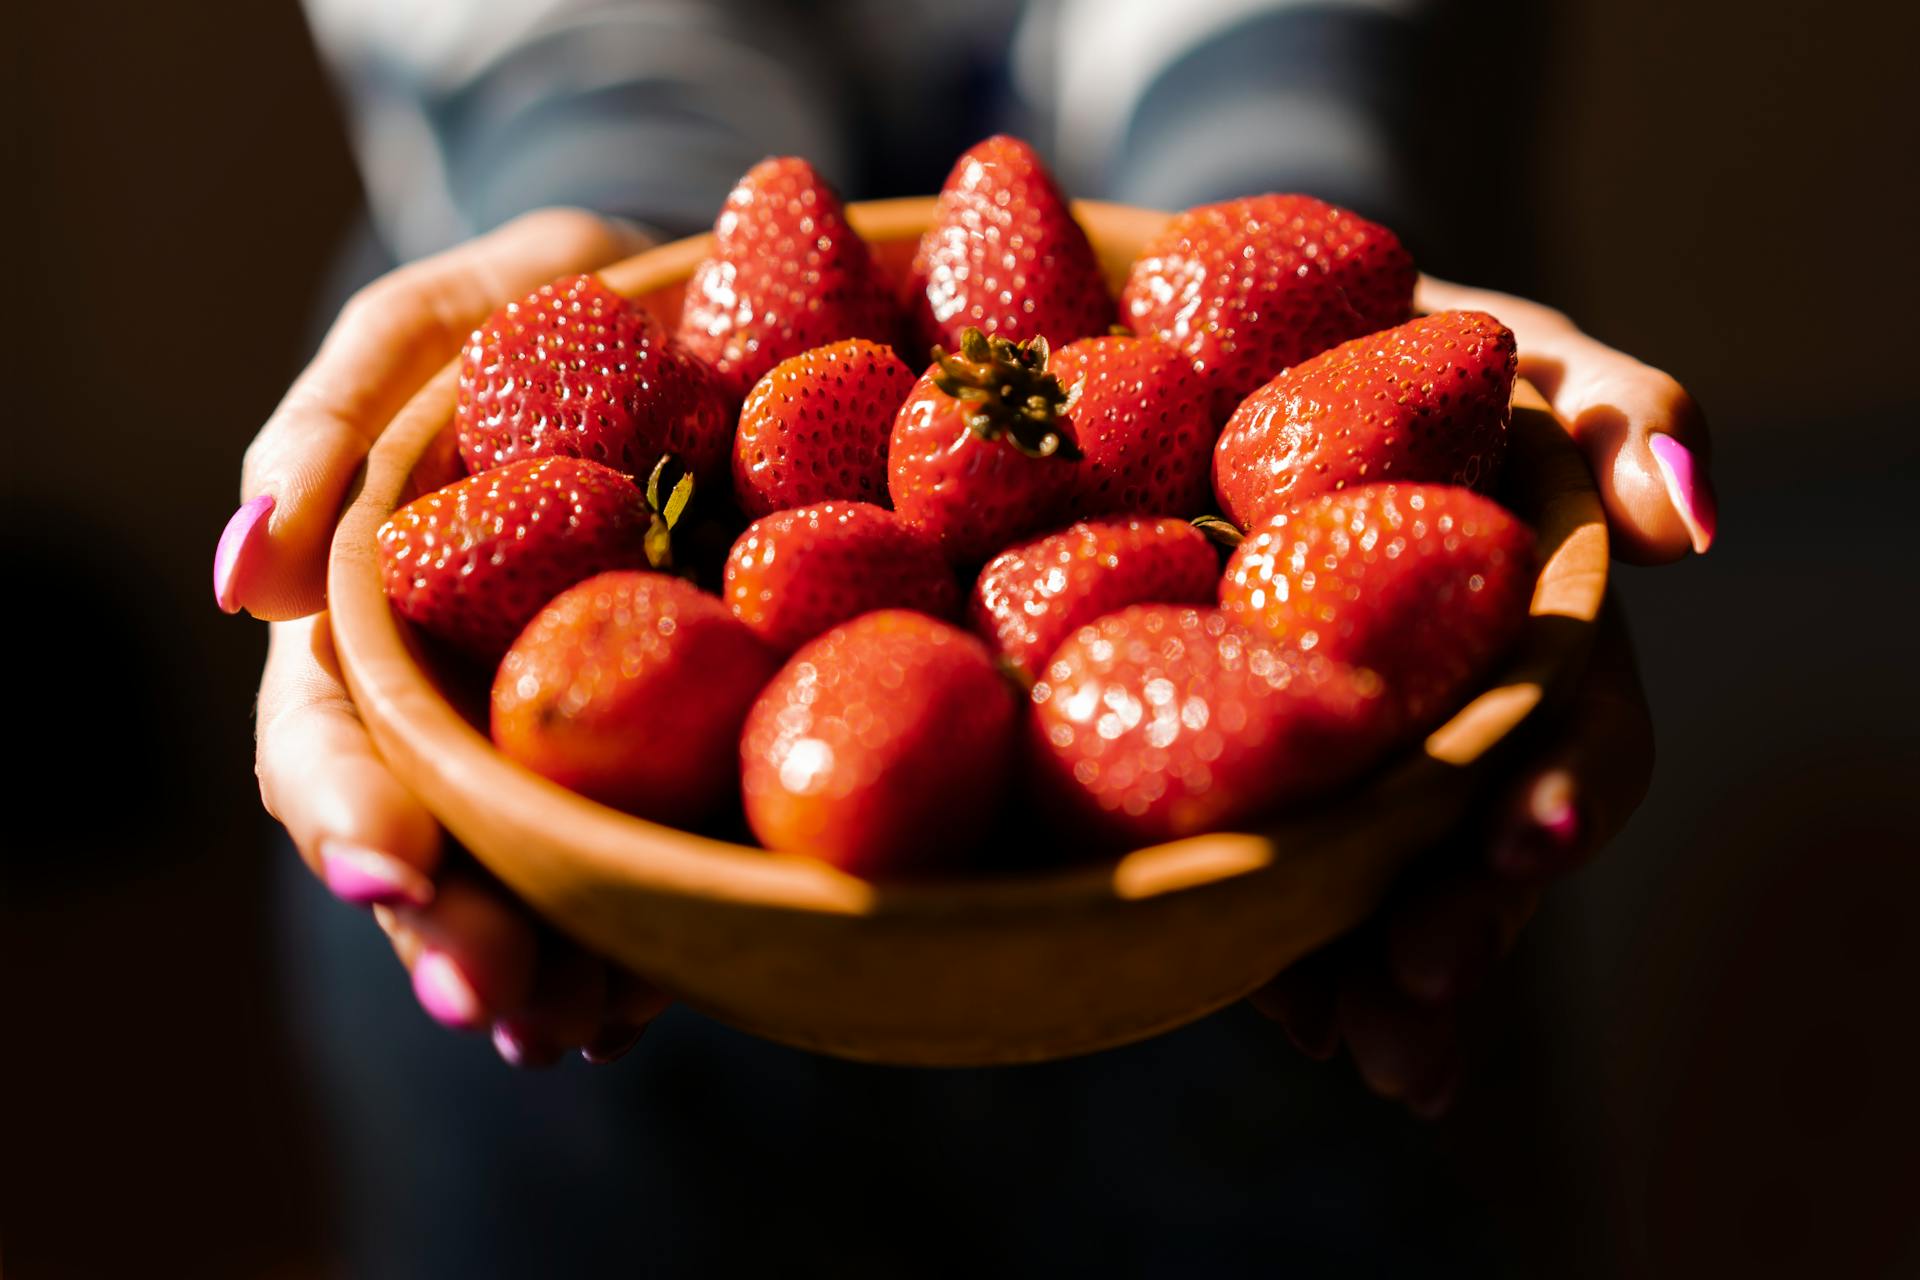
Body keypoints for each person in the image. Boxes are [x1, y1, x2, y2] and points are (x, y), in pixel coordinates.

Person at [216, 0, 1716, 1265]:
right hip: (591, 821)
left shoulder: (1210, 500)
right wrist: (618, 229)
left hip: (1260, 870)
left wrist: (1265, 194)